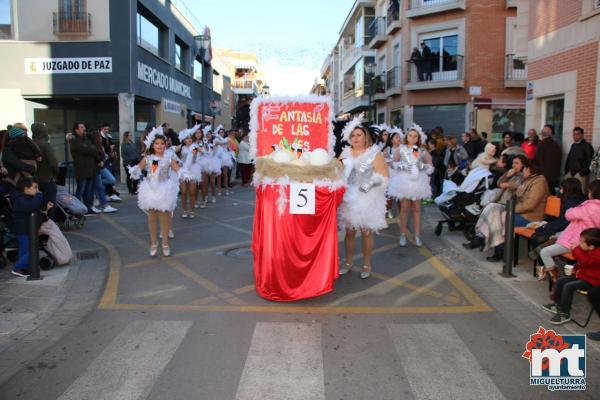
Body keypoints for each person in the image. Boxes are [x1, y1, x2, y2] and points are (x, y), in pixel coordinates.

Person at [338, 115, 389, 279]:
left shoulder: (375, 154)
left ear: (366, 136)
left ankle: (367, 264)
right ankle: (348, 262)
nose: (356, 138)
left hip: (367, 198)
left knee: (366, 232)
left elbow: (384, 176)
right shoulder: (344, 154)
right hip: (348, 197)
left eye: (359, 134)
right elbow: (335, 173)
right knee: (349, 232)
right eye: (353, 135)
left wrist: (369, 185)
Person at [128, 130, 182, 257]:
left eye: (162, 143)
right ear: (153, 145)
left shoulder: (169, 158)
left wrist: (184, 173)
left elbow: (178, 170)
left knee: (164, 219)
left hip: (164, 189)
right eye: (157, 143)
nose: (159, 145)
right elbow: (138, 168)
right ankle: (153, 243)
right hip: (150, 190)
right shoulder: (148, 158)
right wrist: (134, 171)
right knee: (151, 219)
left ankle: (165, 244)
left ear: (165, 145)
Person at [538, 179, 600, 281]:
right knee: (555, 238)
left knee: (545, 252)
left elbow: (569, 214)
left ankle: (555, 279)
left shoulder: (590, 207)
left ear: (593, 193)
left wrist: (574, 210)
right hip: (590, 241)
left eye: (589, 191)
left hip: (576, 241)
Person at [529, 178, 586, 280]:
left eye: (561, 188)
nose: (560, 190)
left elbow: (563, 223)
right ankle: (543, 268)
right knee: (540, 238)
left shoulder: (570, 203)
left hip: (569, 233)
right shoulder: (582, 200)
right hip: (570, 232)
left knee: (537, 238)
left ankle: (542, 272)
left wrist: (544, 228)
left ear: (566, 189)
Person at [542, 228, 600, 325]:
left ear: (591, 247)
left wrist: (576, 249)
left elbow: (586, 261)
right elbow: (583, 264)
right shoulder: (588, 250)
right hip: (583, 276)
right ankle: (558, 305)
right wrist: (575, 268)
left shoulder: (597, 254)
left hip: (593, 281)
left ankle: (565, 313)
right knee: (561, 281)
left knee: (569, 286)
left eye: (582, 242)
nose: (579, 243)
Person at [387, 125, 433, 247]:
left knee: (417, 209)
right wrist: (402, 166)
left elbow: (430, 165)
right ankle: (403, 234)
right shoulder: (401, 149)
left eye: (415, 136)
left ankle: (417, 235)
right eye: (410, 135)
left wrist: (422, 167)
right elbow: (393, 163)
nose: (413, 138)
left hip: (418, 181)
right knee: (404, 209)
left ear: (418, 138)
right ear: (406, 137)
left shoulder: (421, 150)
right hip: (404, 181)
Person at [10, 177, 53, 277]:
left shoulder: (26, 198)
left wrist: (46, 209)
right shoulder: (21, 199)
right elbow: (33, 206)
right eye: (35, 188)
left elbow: (35, 211)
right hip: (22, 230)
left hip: (26, 230)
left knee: (25, 250)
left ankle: (23, 268)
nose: (37, 190)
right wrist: (39, 195)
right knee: (31, 250)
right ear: (26, 188)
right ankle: (18, 268)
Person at [31, 123, 58, 220]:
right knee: (49, 204)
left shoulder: (30, 143)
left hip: (33, 180)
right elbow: (54, 163)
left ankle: (37, 227)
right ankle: (49, 226)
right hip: (47, 179)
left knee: (36, 205)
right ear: (43, 132)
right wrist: (56, 174)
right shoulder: (45, 145)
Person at [70, 122, 98, 215]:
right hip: (81, 169)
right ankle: (76, 209)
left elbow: (94, 149)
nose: (84, 129)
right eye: (82, 127)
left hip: (90, 169)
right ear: (76, 129)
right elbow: (85, 149)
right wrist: (90, 148)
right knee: (80, 190)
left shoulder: (86, 138)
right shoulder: (74, 140)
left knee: (88, 191)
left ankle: (87, 208)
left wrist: (90, 148)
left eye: (84, 127)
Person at [177, 127, 202, 218]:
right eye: (187, 138)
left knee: (192, 192)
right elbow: (176, 157)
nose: (189, 139)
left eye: (190, 138)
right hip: (183, 171)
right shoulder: (180, 148)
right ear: (183, 140)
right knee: (183, 192)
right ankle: (184, 210)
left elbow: (195, 159)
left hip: (192, 171)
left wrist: (196, 151)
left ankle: (191, 210)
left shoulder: (194, 147)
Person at [90, 130, 117, 214]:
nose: (101, 138)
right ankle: (103, 205)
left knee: (111, 180)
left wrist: (109, 156)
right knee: (99, 187)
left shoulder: (100, 146)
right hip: (97, 167)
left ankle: (102, 203)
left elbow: (103, 155)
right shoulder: (92, 146)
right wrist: (100, 161)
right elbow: (95, 156)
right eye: (99, 137)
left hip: (102, 166)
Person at [564, 127, 594, 193]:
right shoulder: (573, 145)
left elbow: (589, 161)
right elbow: (569, 159)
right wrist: (566, 171)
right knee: (568, 191)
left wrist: (581, 173)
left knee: (581, 192)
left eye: (577, 134)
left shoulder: (587, 146)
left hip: (581, 175)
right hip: (571, 173)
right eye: (574, 134)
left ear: (582, 135)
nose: (575, 136)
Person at [535, 124, 562, 195]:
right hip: (552, 177)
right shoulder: (556, 145)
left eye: (545, 128)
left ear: (550, 132)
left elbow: (537, 160)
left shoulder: (542, 144)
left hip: (543, 176)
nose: (543, 129)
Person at [214, 126, 234, 195]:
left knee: (225, 174)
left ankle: (226, 189)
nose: (221, 133)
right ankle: (219, 190)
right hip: (218, 158)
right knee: (219, 175)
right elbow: (220, 143)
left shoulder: (226, 139)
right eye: (220, 132)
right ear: (218, 133)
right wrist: (226, 140)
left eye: (222, 132)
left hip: (225, 158)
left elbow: (230, 148)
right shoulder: (216, 139)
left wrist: (229, 146)